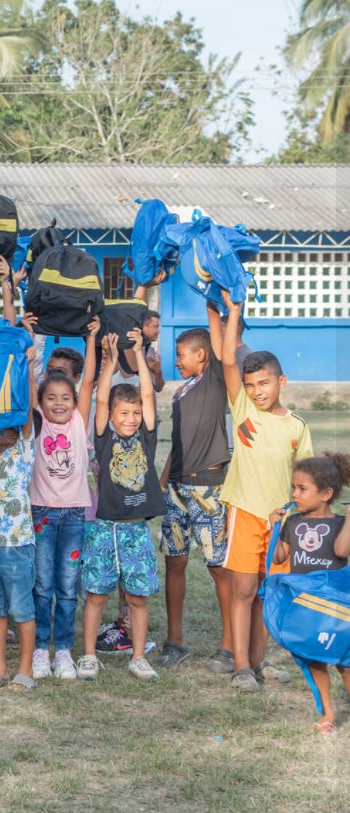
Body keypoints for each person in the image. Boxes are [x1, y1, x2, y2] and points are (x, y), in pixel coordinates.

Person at [216, 294, 314, 692]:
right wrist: (234, 313)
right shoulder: (245, 411)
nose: (257, 391)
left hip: (282, 523)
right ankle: (240, 666)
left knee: (268, 593)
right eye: (252, 385)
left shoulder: (297, 426)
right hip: (244, 512)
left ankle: (258, 662)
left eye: (265, 383)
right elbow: (226, 362)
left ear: (281, 382)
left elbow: (304, 480)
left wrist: (296, 521)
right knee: (242, 589)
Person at [79, 332, 166, 682]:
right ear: (112, 416)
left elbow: (147, 393)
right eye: (123, 413)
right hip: (104, 529)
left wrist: (139, 355)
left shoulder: (145, 434)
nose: (130, 418)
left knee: (138, 597)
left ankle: (139, 656)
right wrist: (111, 360)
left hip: (135, 530)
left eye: (135, 413)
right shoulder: (104, 436)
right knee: (96, 596)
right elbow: (101, 400)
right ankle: (87, 656)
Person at [157, 323, 233, 671]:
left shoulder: (215, 380)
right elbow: (178, 442)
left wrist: (214, 304)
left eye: (180, 354)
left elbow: (221, 346)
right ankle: (176, 641)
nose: (177, 361)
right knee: (175, 561)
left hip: (208, 488)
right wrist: (163, 481)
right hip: (177, 488)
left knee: (218, 566)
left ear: (201, 355)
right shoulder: (180, 392)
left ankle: (230, 645)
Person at [27, 316, 99, 680]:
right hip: (41, 512)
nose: (59, 403)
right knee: (42, 584)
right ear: (41, 402)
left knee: (68, 585)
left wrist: (92, 337)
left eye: (65, 398)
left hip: (73, 515)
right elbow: (31, 384)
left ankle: (64, 650)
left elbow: (87, 381)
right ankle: (41, 649)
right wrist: (30, 345)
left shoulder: (78, 422)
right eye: (51, 398)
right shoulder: (37, 423)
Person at [0, 345, 40, 691]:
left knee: (21, 608)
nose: (1, 430)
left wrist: (27, 368)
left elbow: (27, 407)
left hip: (16, 544)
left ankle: (25, 669)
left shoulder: (24, 445)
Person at [269, 453, 350, 733]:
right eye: (294, 488)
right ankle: (328, 711)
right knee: (314, 658)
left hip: (334, 606)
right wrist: (275, 527)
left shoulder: (340, 522)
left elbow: (341, 551)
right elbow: (279, 558)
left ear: (326, 493)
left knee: (344, 661)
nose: (295, 494)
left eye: (302, 489)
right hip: (306, 605)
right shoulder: (293, 523)